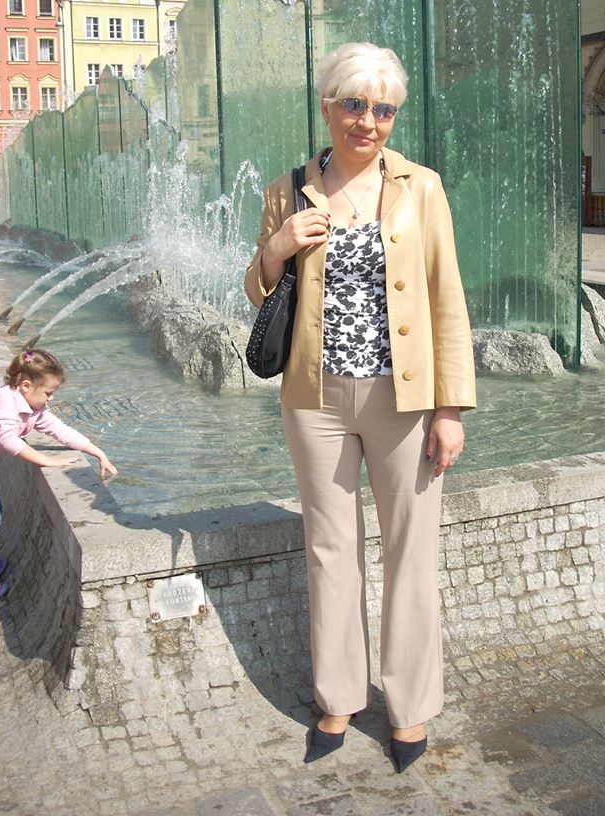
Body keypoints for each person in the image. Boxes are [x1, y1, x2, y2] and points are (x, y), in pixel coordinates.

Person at [245, 42, 476, 772]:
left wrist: (450, 408)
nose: (367, 122)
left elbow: (446, 297)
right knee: (329, 547)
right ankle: (338, 696)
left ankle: (410, 706)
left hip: (403, 399)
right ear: (328, 107)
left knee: (412, 549)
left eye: (383, 110)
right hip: (314, 398)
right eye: (354, 105)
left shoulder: (420, 188)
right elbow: (257, 290)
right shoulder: (288, 190)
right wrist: (277, 247)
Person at [0, 348, 118, 603]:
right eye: (48, 393)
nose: (51, 398)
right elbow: (9, 441)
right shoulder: (5, 400)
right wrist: (48, 460)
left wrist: (97, 452)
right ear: (26, 385)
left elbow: (61, 431)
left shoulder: (33, 409)